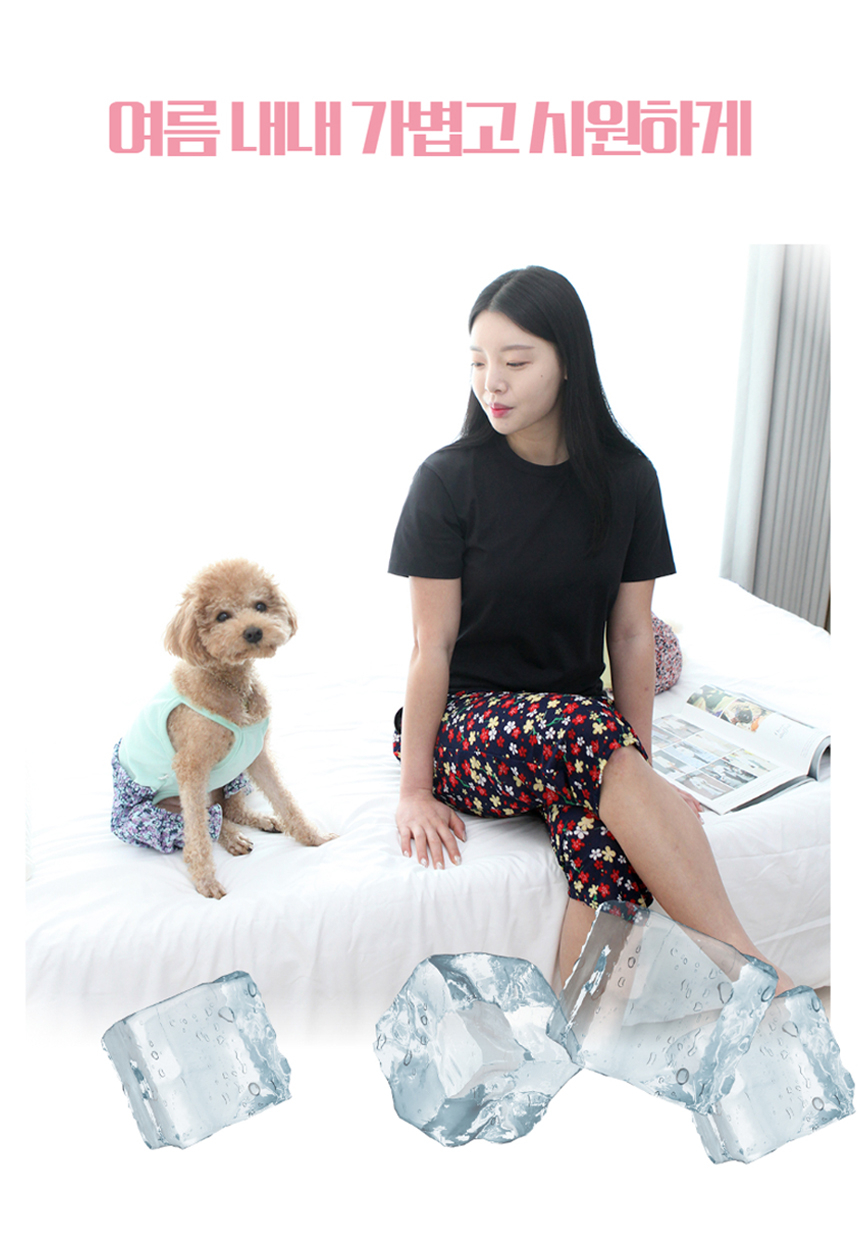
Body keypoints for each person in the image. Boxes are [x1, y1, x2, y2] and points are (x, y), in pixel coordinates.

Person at [388, 266, 793, 994]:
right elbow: (431, 646)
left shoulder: (628, 478)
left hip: (578, 733)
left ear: (568, 361)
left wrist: (638, 771)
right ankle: (754, 974)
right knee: (588, 732)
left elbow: (632, 636)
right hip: (467, 730)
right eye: (478, 363)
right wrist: (415, 790)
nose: (492, 384)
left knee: (612, 860)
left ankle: (573, 1036)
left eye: (515, 362)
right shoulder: (447, 480)